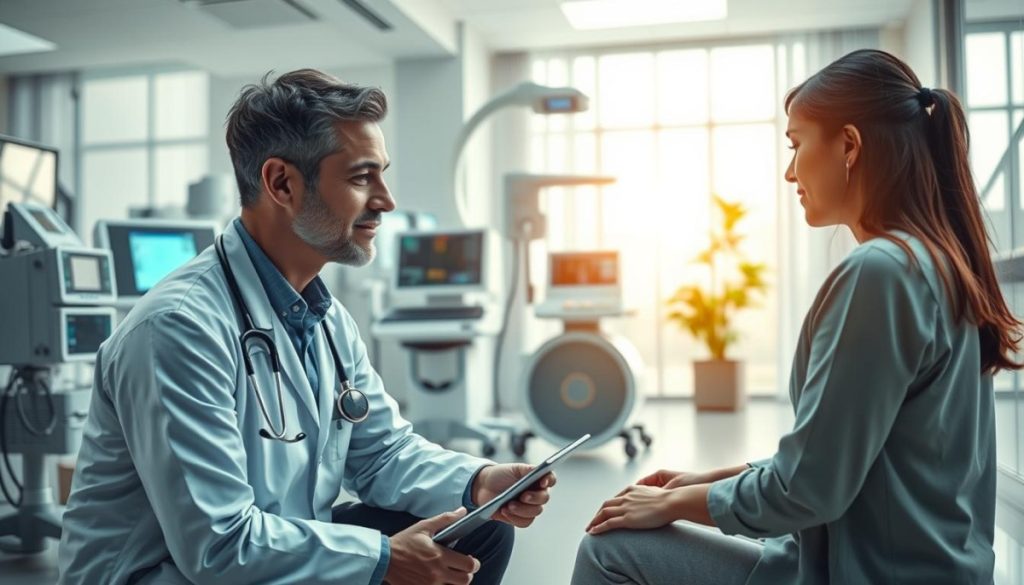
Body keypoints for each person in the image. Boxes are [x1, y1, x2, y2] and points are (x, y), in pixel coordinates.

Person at [58, 69, 555, 585]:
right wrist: (382, 559)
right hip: (173, 572)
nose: (386, 200)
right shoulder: (178, 329)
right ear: (282, 184)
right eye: (363, 178)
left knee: (480, 532)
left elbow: (382, 453)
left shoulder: (326, 318)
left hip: (269, 546)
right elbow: (219, 545)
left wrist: (478, 482)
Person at [572, 49, 1021, 585]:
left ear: (849, 146)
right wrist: (704, 480)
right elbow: (839, 457)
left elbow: (808, 490)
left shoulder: (880, 272)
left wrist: (676, 505)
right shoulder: (937, 262)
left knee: (610, 549)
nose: (789, 172)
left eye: (796, 143)